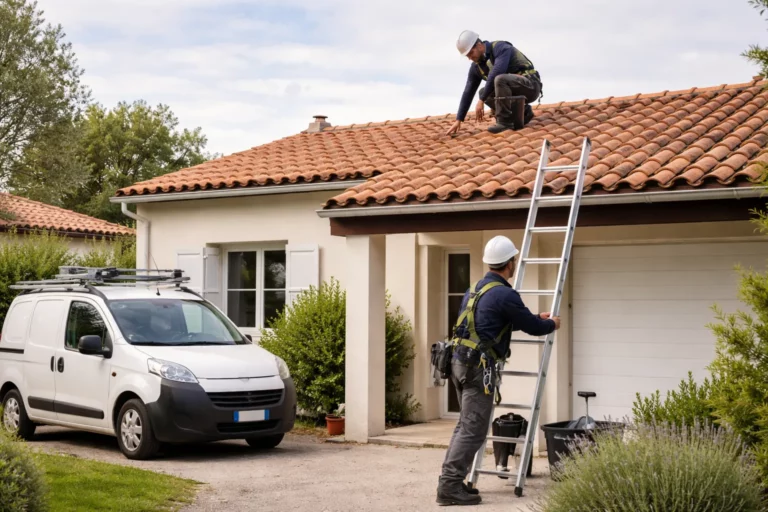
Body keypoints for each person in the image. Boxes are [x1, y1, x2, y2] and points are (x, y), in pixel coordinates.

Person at [436, 235, 560, 506]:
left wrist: (533, 317)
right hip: (477, 368)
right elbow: (533, 328)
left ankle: (452, 482)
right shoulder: (505, 293)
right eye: (514, 260)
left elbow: (489, 323)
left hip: (459, 362)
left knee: (464, 426)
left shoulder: (475, 289)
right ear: (510, 263)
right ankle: (448, 487)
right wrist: (551, 324)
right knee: (472, 430)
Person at [446, 30, 543, 135]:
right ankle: (524, 112)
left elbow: (497, 72)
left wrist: (481, 100)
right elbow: (468, 91)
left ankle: (505, 123)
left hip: (531, 85)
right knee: (484, 91)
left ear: (479, 45)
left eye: (471, 53)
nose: (470, 58)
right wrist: (459, 119)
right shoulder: (476, 67)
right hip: (516, 94)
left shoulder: (500, 48)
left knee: (499, 80)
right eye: (467, 56)